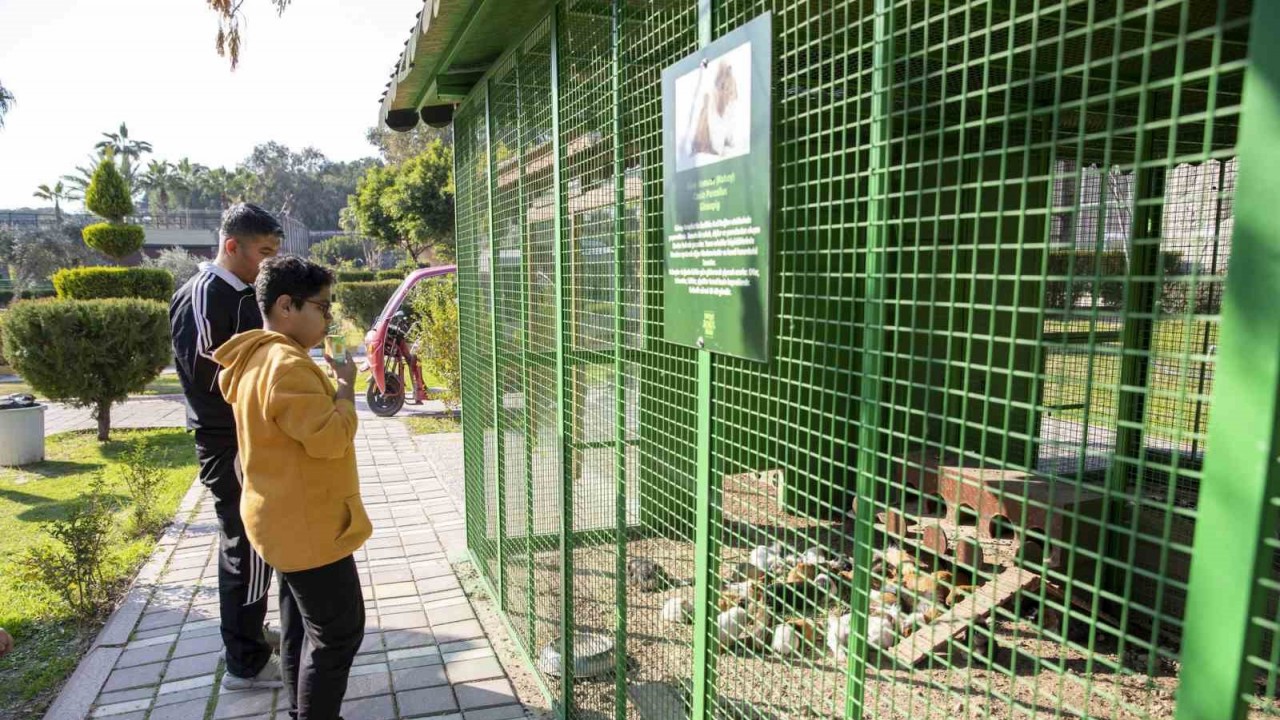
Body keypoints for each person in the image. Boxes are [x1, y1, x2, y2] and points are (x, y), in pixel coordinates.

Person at [214, 256, 369, 720]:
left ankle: (302, 711)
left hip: (281, 518)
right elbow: (331, 438)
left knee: (302, 627)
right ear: (286, 305)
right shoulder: (286, 365)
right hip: (308, 526)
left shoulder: (261, 356)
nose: (328, 317)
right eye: (321, 306)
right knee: (339, 633)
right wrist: (345, 387)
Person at [171, 203, 284, 690]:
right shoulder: (204, 293)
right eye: (264, 252)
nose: (269, 262)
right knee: (249, 544)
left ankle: (249, 634)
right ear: (232, 246)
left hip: (250, 436)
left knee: (257, 541)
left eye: (275, 252)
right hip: (228, 441)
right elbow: (206, 368)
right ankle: (245, 663)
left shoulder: (242, 292)